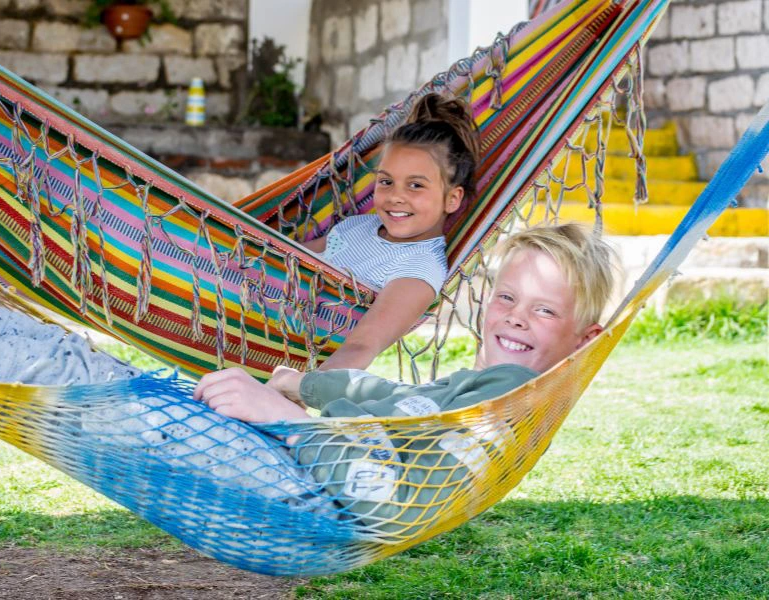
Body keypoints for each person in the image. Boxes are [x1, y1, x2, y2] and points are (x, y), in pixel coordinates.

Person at [195, 222, 617, 533]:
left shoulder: (506, 400)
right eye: (506, 298)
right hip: (309, 460)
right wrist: (303, 384)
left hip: (305, 486)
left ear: (586, 340)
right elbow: (397, 397)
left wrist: (285, 420)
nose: (516, 318)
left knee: (152, 413)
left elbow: (396, 506)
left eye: (544, 310)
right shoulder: (480, 390)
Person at [302, 92, 480, 371]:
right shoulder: (357, 225)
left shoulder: (419, 269)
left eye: (416, 185)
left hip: (293, 341)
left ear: (452, 199)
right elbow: (283, 258)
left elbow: (361, 346)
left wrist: (297, 388)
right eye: (386, 181)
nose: (395, 196)